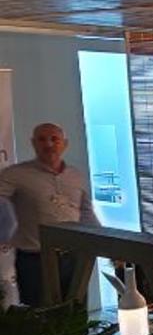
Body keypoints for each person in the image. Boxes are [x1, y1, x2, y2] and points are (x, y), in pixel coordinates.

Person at [0, 123, 100, 305]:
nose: (48, 144)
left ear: (65, 144)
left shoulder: (76, 175)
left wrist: (104, 244)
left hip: (73, 257)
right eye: (42, 139)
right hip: (34, 261)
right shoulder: (15, 174)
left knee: (75, 315)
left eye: (54, 139)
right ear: (33, 143)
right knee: (39, 315)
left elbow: (86, 213)